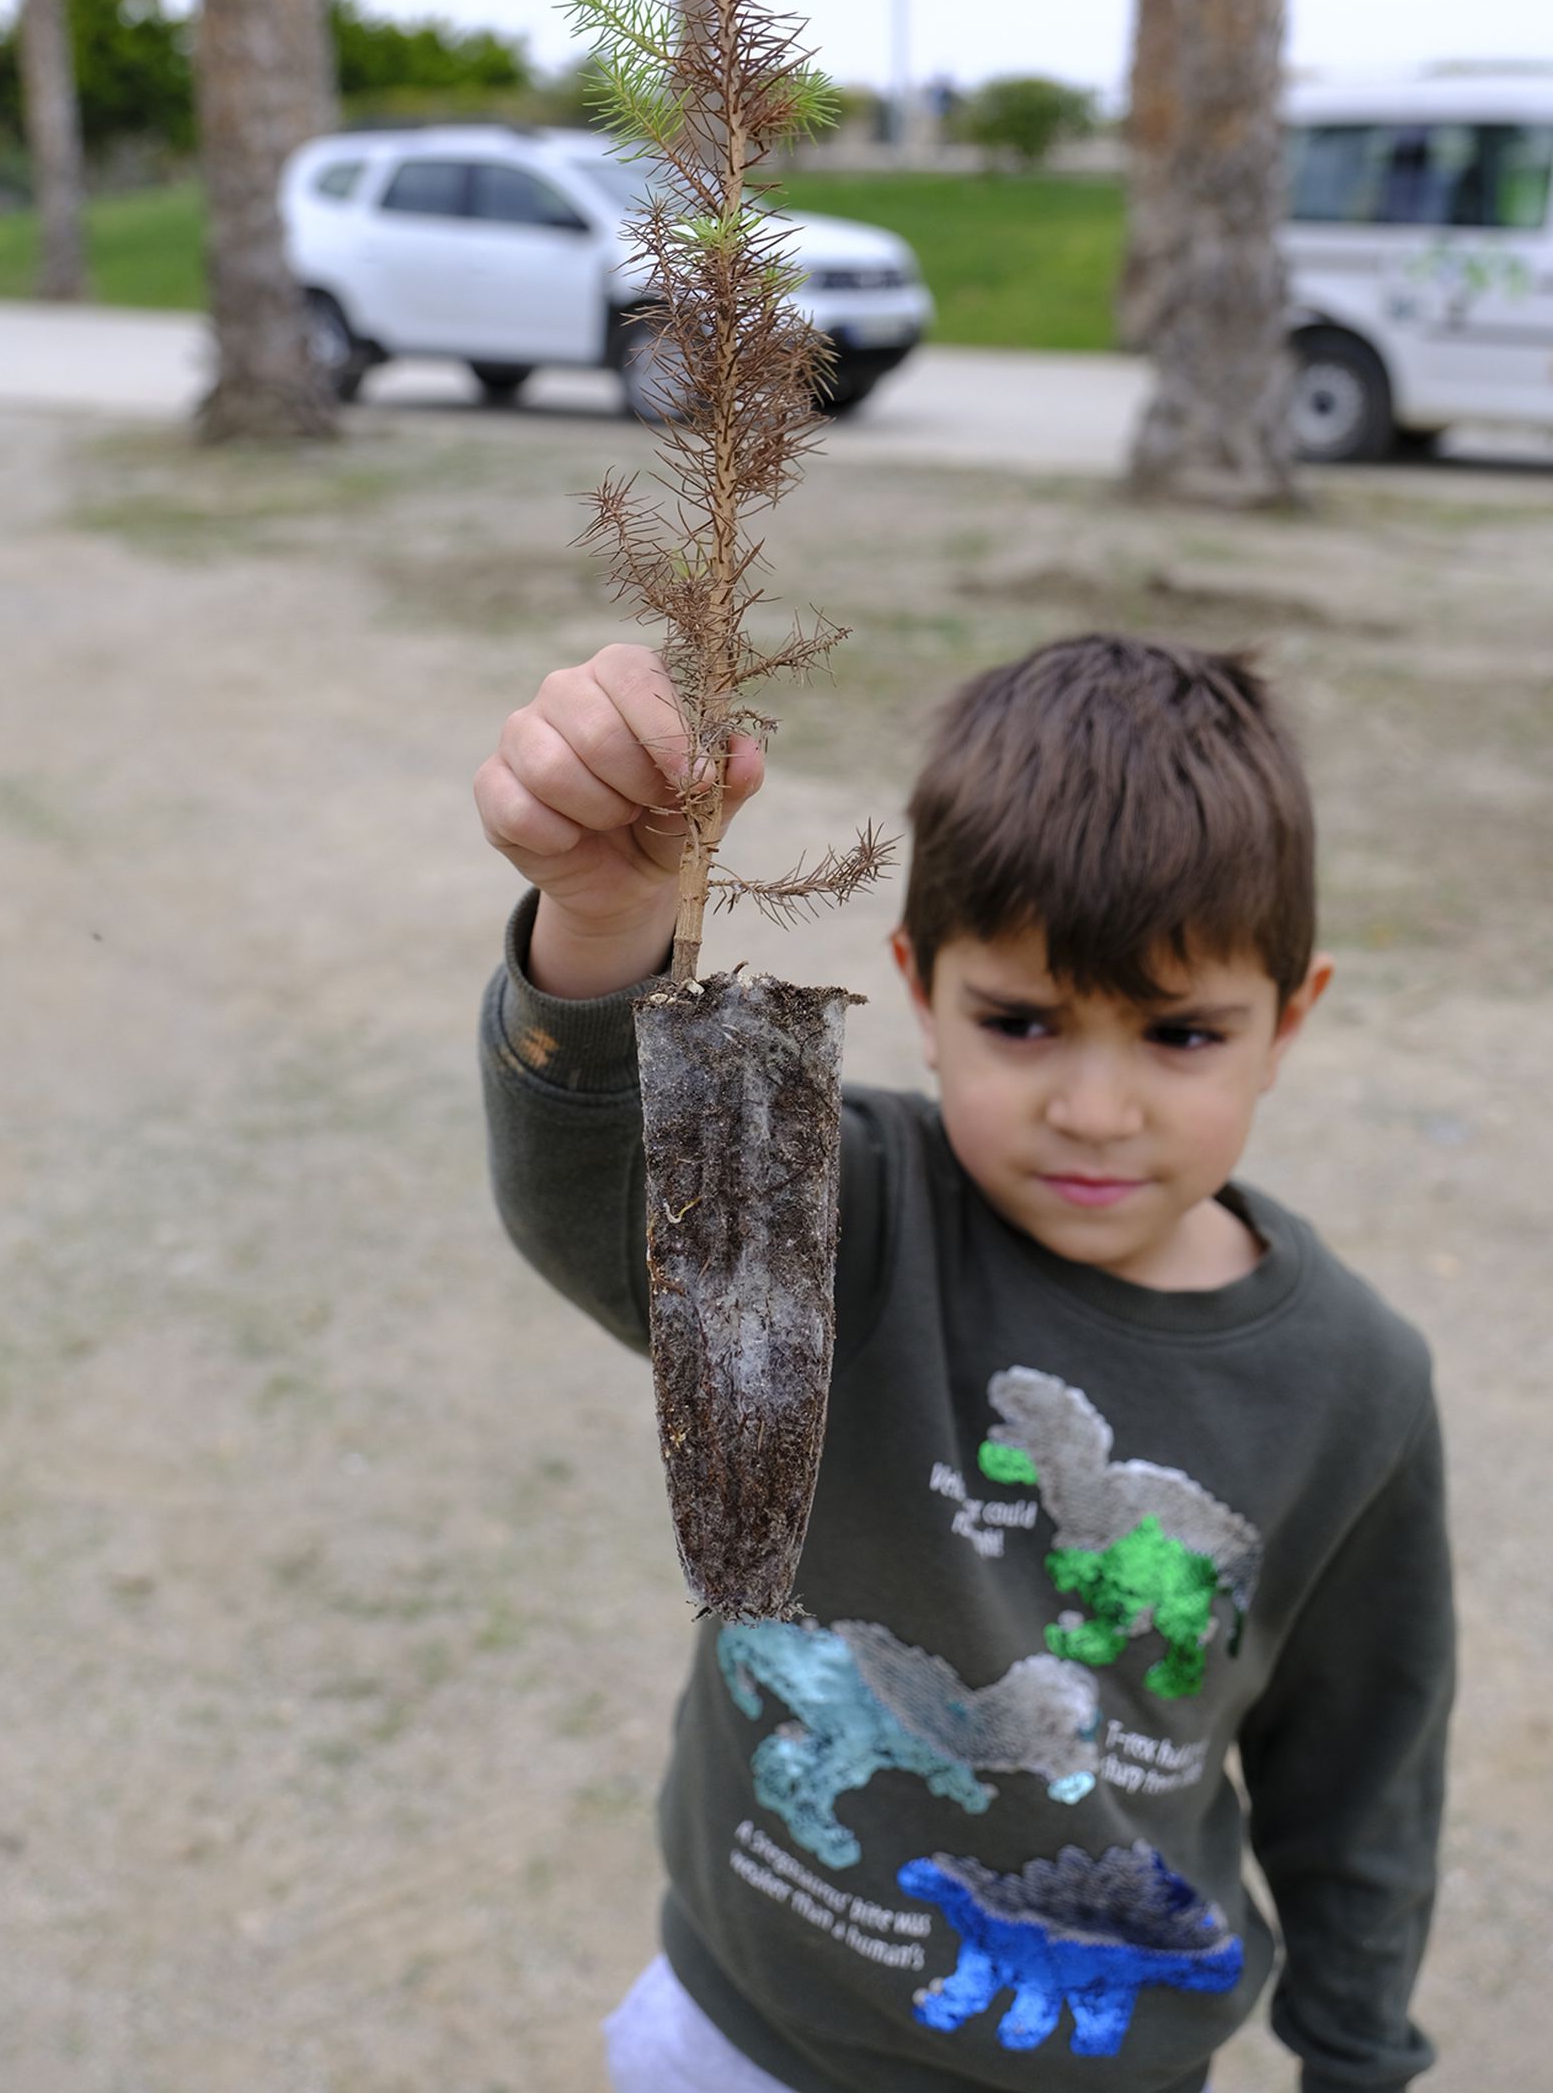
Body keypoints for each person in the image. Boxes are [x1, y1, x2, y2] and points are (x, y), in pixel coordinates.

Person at [474, 633, 1453, 2093]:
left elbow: (1362, 1776)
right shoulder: (831, 1197)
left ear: (1286, 1022)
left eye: (1182, 1033)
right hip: (743, 2036)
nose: (1098, 1108)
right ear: (918, 994)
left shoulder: (1357, 1381)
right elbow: (600, 1209)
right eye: (1023, 1021)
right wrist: (602, 918)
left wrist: (1358, 2056)